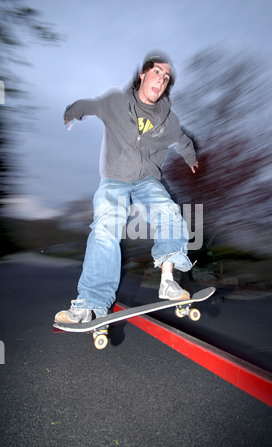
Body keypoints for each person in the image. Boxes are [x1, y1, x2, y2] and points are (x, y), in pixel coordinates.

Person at [55, 50, 198, 326]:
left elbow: (182, 140)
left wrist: (191, 159)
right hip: (116, 177)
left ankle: (168, 281)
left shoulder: (169, 120)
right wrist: (71, 114)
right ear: (143, 75)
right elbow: (90, 105)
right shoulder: (115, 101)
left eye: (166, 77)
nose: (161, 80)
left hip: (147, 179)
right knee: (106, 225)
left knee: (169, 213)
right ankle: (91, 302)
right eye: (156, 72)